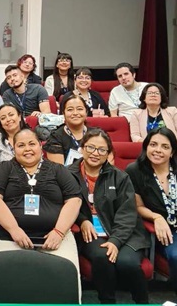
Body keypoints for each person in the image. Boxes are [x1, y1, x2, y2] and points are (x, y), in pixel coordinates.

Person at [0, 129, 81, 285]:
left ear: (40, 146)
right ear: (13, 148)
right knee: (9, 285)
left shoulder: (58, 169)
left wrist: (59, 232)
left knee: (65, 280)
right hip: (10, 238)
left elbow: (74, 200)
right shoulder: (4, 168)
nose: (27, 149)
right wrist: (14, 230)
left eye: (32, 144)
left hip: (56, 238)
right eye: (21, 145)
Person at [68, 129, 149, 304]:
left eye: (101, 150)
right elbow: (65, 205)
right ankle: (108, 301)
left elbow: (127, 214)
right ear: (82, 148)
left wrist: (115, 240)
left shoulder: (120, 177)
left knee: (127, 263)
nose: (95, 153)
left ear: (108, 154)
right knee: (102, 256)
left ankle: (143, 302)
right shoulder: (68, 174)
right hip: (91, 233)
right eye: (90, 147)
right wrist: (82, 221)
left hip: (125, 233)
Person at [126, 127, 177, 295]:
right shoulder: (135, 170)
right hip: (166, 231)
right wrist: (157, 217)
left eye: (165, 146)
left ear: (172, 152)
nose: (158, 150)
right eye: (153, 144)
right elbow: (138, 207)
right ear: (146, 146)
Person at [44, 93, 88, 166]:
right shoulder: (55, 138)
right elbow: (59, 172)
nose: (75, 113)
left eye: (80, 109)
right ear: (63, 113)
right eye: (70, 110)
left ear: (86, 112)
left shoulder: (96, 134)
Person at [0, 103, 28, 173]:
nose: (8, 119)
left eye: (11, 115)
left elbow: (38, 163)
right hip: (4, 181)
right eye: (3, 118)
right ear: (0, 124)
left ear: (19, 117)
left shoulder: (30, 136)